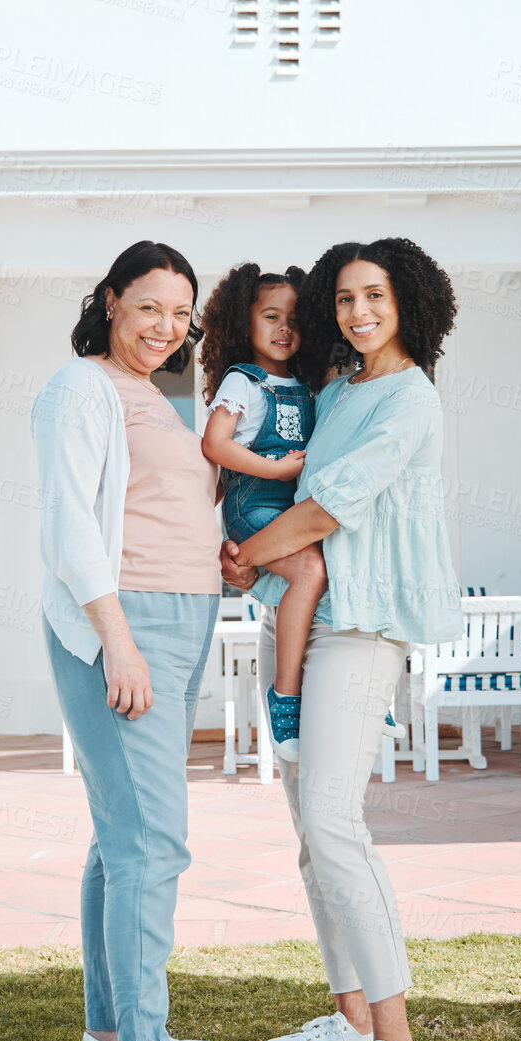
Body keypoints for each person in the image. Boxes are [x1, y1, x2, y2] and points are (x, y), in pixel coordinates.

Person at [221, 236, 462, 1041]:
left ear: (409, 302)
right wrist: (246, 555)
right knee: (309, 832)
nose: (360, 312)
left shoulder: (410, 398)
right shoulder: (334, 391)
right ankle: (353, 1016)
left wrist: (248, 555)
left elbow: (328, 508)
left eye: (376, 296)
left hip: (364, 627)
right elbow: (288, 505)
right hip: (308, 617)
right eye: (347, 299)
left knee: (333, 820)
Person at [31, 239, 244, 1041]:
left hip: (181, 615)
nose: (166, 326)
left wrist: (220, 556)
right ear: (111, 299)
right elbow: (70, 523)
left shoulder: (150, 395)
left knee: (117, 838)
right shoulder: (81, 386)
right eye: (149, 305)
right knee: (151, 841)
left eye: (179, 312)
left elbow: (165, 503)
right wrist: (115, 638)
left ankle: (111, 1033)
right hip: (131, 622)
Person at [200, 264, 324, 760]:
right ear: (243, 323)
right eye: (270, 316)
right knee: (311, 570)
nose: (283, 328)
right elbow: (214, 443)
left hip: (292, 510)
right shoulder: (242, 381)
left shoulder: (305, 384)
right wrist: (273, 471)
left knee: (337, 564)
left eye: (293, 318)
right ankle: (285, 696)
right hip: (254, 507)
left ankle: (351, 684)